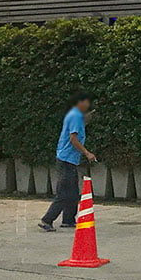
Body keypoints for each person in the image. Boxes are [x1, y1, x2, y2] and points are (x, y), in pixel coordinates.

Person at [38, 93, 97, 232]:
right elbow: (73, 139)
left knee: (73, 192)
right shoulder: (76, 117)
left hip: (69, 160)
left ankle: (68, 220)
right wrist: (87, 153)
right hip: (66, 160)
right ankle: (47, 219)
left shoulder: (75, 116)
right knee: (64, 193)